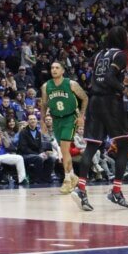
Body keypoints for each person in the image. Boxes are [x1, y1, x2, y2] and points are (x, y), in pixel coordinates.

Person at [72, 26, 128, 211]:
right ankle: (116, 191)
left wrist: (120, 81)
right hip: (110, 103)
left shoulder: (100, 54)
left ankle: (81, 189)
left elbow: (101, 78)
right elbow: (109, 77)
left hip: (95, 101)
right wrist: (126, 90)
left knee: (92, 146)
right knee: (124, 145)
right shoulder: (121, 55)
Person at [40, 60, 88, 194]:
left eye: (57, 67)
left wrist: (81, 116)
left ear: (62, 71)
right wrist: (42, 121)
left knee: (65, 149)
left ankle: (67, 180)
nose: (54, 70)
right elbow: (44, 104)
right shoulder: (45, 86)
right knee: (63, 149)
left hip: (70, 118)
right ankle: (73, 176)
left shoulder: (71, 84)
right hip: (56, 119)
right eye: (52, 67)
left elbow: (85, 98)